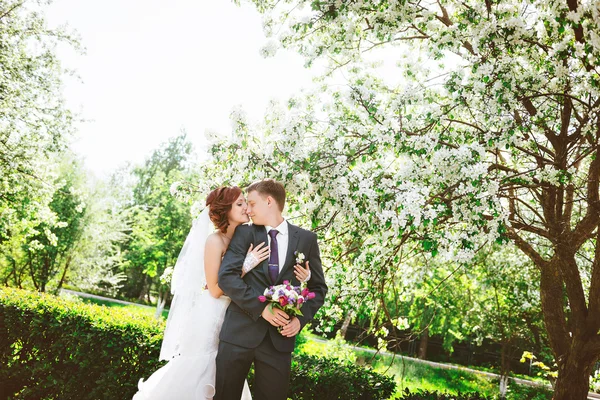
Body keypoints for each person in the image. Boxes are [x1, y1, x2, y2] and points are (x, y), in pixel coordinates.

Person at [133, 186, 311, 400]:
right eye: (240, 204)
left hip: (237, 312)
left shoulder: (247, 237)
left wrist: (303, 280)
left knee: (223, 379)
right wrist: (246, 266)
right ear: (226, 210)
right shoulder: (214, 241)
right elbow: (216, 289)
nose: (246, 208)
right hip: (213, 313)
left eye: (247, 202)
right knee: (200, 371)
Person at [215, 179, 328, 400]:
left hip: (279, 340)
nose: (247, 209)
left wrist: (300, 320)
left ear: (269, 201)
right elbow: (226, 277)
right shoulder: (244, 233)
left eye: (252, 203)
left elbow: (319, 288)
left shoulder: (306, 239)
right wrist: (262, 308)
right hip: (238, 333)